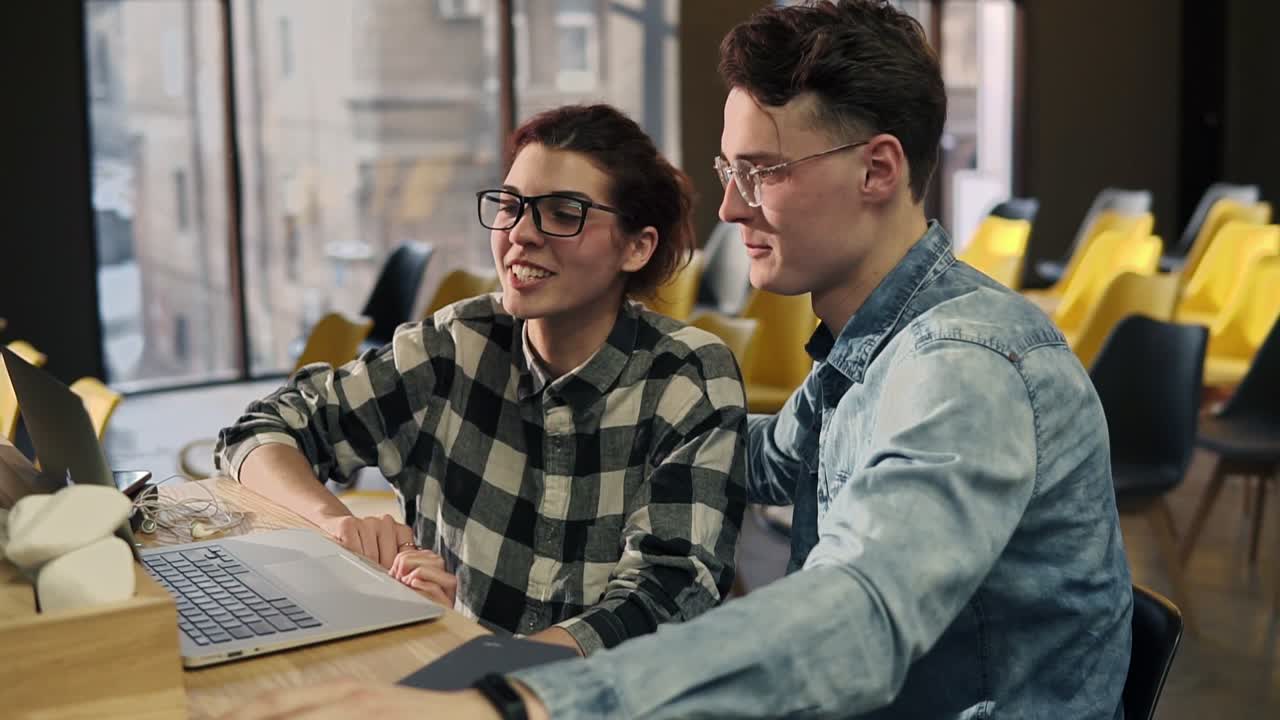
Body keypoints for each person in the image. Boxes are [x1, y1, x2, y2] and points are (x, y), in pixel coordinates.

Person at [226, 1, 1132, 718]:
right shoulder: (868, 351)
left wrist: (518, 697)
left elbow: (860, 615)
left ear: (879, 170)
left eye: (761, 172)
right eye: (728, 173)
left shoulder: (959, 363)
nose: (732, 212)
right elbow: (744, 453)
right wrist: (574, 400)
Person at [214, 103, 747, 656]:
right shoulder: (455, 345)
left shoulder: (687, 375)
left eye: (564, 212)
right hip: (459, 680)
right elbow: (261, 429)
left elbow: (669, 592)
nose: (520, 234)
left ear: (637, 246)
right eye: (512, 206)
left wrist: (495, 670)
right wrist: (336, 524)